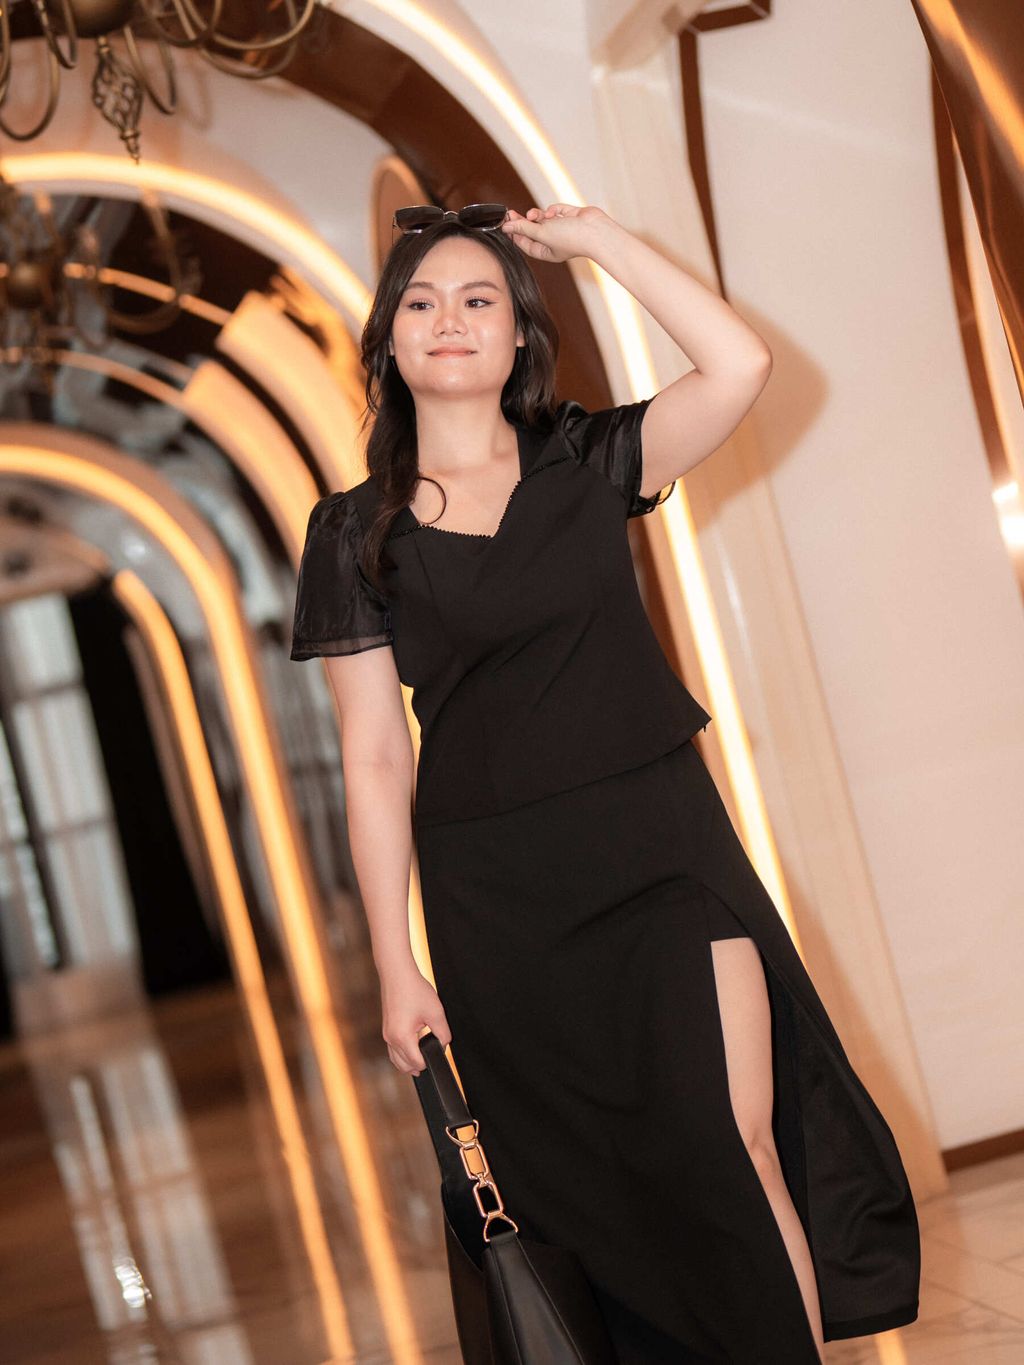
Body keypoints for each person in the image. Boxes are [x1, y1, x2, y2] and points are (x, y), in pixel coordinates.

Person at [289, 202, 921, 1363]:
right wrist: (394, 962)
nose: (451, 321)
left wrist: (596, 244)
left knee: (733, 1142)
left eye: (480, 299)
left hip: (661, 850)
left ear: (522, 337)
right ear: (385, 343)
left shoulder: (591, 461)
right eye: (421, 302)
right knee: (581, 1192)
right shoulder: (353, 535)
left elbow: (741, 364)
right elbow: (375, 757)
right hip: (497, 898)